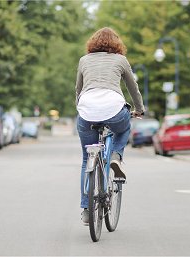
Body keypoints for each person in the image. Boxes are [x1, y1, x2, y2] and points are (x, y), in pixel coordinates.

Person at [75, 27, 144, 225]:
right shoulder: (121, 60)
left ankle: (86, 209)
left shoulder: (84, 60)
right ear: (117, 44)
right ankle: (116, 156)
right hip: (114, 109)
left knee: (85, 159)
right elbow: (133, 87)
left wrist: (81, 109)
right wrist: (139, 109)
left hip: (86, 110)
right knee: (123, 128)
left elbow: (78, 89)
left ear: (92, 44)